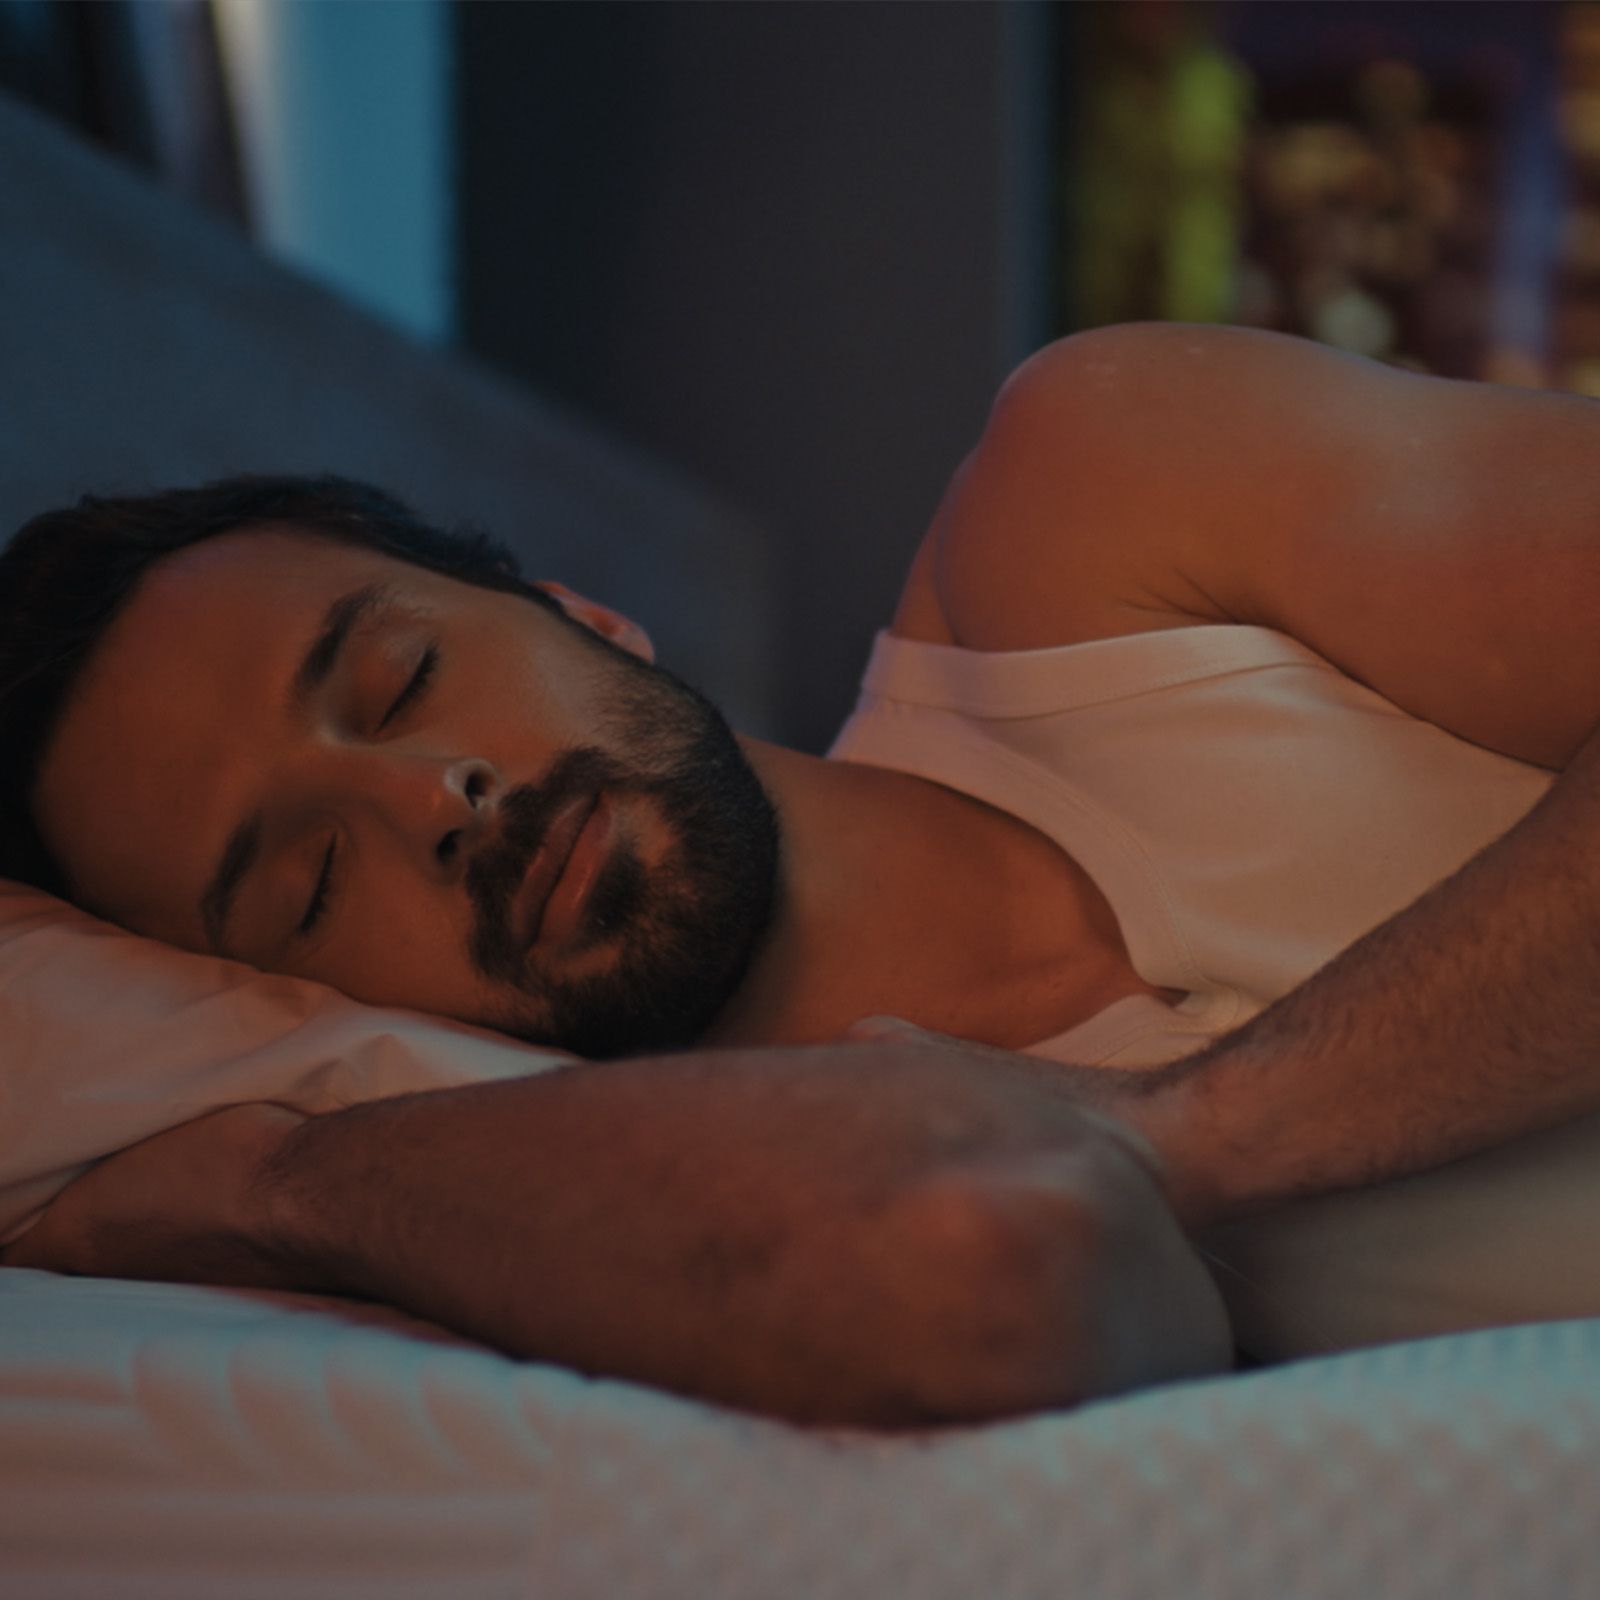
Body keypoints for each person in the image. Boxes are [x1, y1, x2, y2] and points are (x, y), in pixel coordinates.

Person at [3, 320, 1600, 1427]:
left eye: (405, 680)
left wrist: (1207, 1130)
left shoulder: (1102, 515)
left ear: (583, 611)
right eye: (302, 886)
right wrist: (272, 1187)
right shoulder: (683, 1239)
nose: (437, 801)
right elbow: (990, 1273)